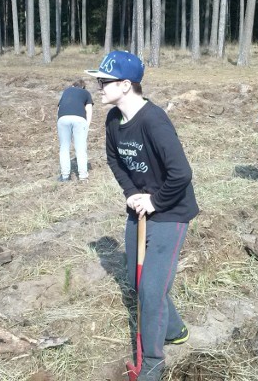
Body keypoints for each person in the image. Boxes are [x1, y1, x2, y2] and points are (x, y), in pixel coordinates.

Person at [86, 51, 199, 381]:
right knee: (140, 282)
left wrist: (155, 201)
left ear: (125, 85)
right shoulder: (113, 122)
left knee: (150, 290)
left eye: (104, 82)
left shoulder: (154, 120)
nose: (99, 86)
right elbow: (114, 161)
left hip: (171, 211)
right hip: (140, 209)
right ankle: (174, 329)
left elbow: (181, 173)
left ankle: (151, 362)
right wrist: (131, 194)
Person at [56, 79, 93, 181]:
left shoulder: (66, 91)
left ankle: (64, 176)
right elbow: (88, 110)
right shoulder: (86, 93)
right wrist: (87, 126)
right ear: (83, 87)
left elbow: (59, 109)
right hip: (79, 119)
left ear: (73, 86)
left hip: (62, 118)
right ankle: (83, 176)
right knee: (80, 148)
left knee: (64, 147)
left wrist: (59, 122)